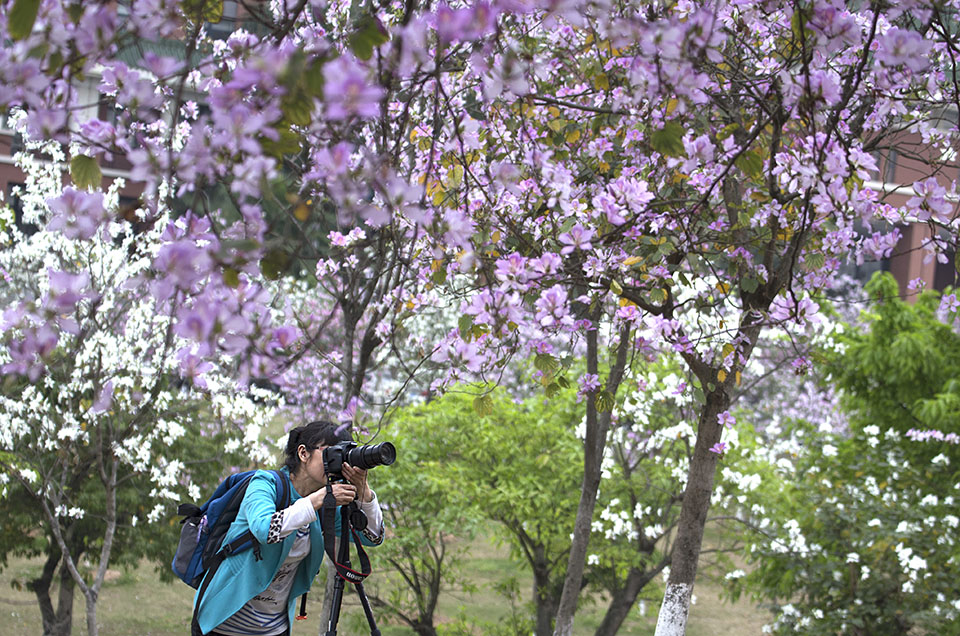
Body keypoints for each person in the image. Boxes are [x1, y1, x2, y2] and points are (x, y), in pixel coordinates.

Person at [194, 420, 385, 636]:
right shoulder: (266, 483)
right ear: (303, 453)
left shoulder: (323, 507)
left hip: (275, 628)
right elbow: (265, 529)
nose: (337, 462)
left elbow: (372, 537)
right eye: (331, 452)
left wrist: (364, 493)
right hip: (223, 623)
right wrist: (317, 500)